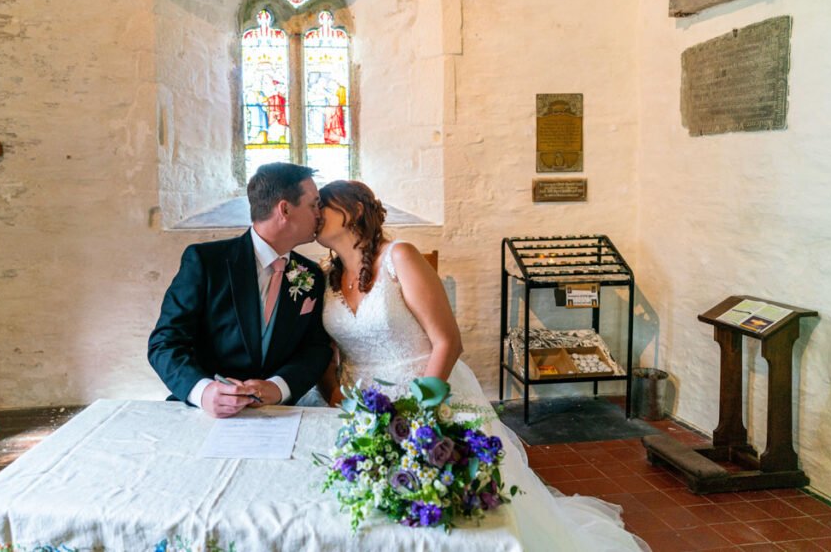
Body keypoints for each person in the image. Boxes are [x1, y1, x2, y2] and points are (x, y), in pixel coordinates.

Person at [314, 180, 646, 552]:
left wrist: (422, 414)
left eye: (322, 205)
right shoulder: (324, 276)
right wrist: (335, 395)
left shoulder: (400, 257)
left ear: (355, 211)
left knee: (447, 519)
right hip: (360, 412)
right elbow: (328, 352)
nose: (315, 213)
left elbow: (447, 341)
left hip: (426, 398)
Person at [148, 163, 332, 418]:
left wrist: (279, 387)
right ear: (285, 209)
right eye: (313, 204)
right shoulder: (206, 262)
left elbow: (316, 348)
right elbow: (165, 343)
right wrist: (203, 392)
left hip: (280, 415)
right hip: (204, 414)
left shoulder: (310, 274)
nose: (319, 214)